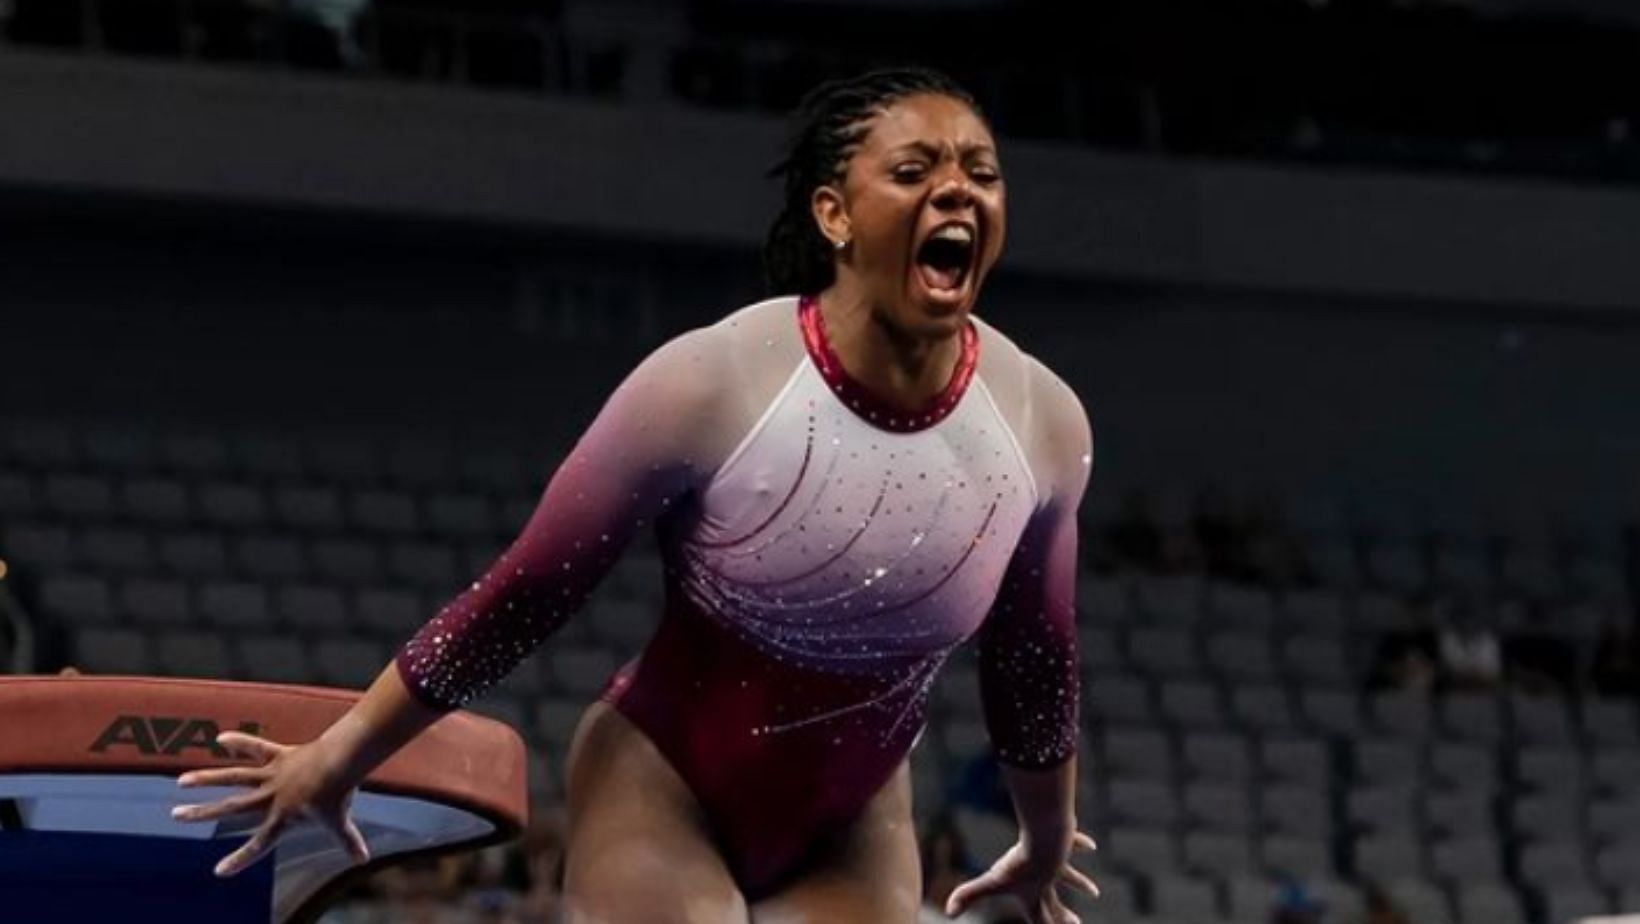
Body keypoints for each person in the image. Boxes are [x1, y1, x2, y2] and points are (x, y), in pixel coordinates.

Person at [173, 66, 1099, 923]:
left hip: (855, 822)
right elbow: (522, 599)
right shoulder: (713, 384)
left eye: (982, 171)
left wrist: (1044, 841)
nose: (957, 190)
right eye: (913, 169)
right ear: (834, 214)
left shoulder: (1039, 424)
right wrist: (340, 760)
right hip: (664, 781)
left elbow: (1033, 661)